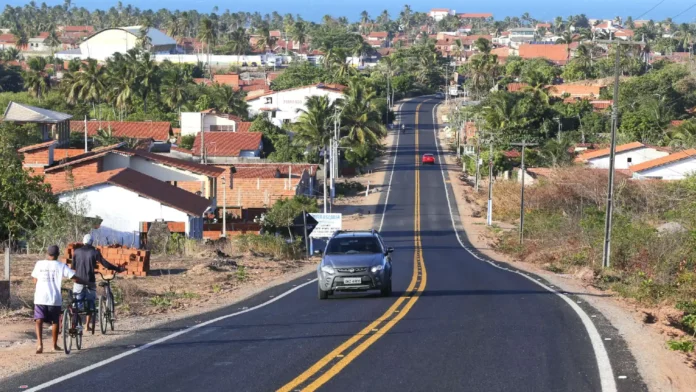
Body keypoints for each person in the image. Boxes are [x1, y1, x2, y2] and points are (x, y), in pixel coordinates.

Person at [32, 245, 80, 353]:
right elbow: (73, 277)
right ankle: (54, 345)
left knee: (39, 320)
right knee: (55, 322)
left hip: (40, 297)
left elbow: (34, 280)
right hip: (54, 298)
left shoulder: (39, 264)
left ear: (47, 254)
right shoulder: (61, 265)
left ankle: (39, 344)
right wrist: (84, 281)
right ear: (58, 255)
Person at [72, 234, 125, 332]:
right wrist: (117, 268)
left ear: (83, 241)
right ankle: (87, 326)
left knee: (77, 305)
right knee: (90, 304)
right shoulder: (94, 252)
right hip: (90, 282)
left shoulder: (76, 252)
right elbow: (105, 264)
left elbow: (73, 267)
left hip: (78, 281)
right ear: (92, 242)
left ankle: (75, 325)